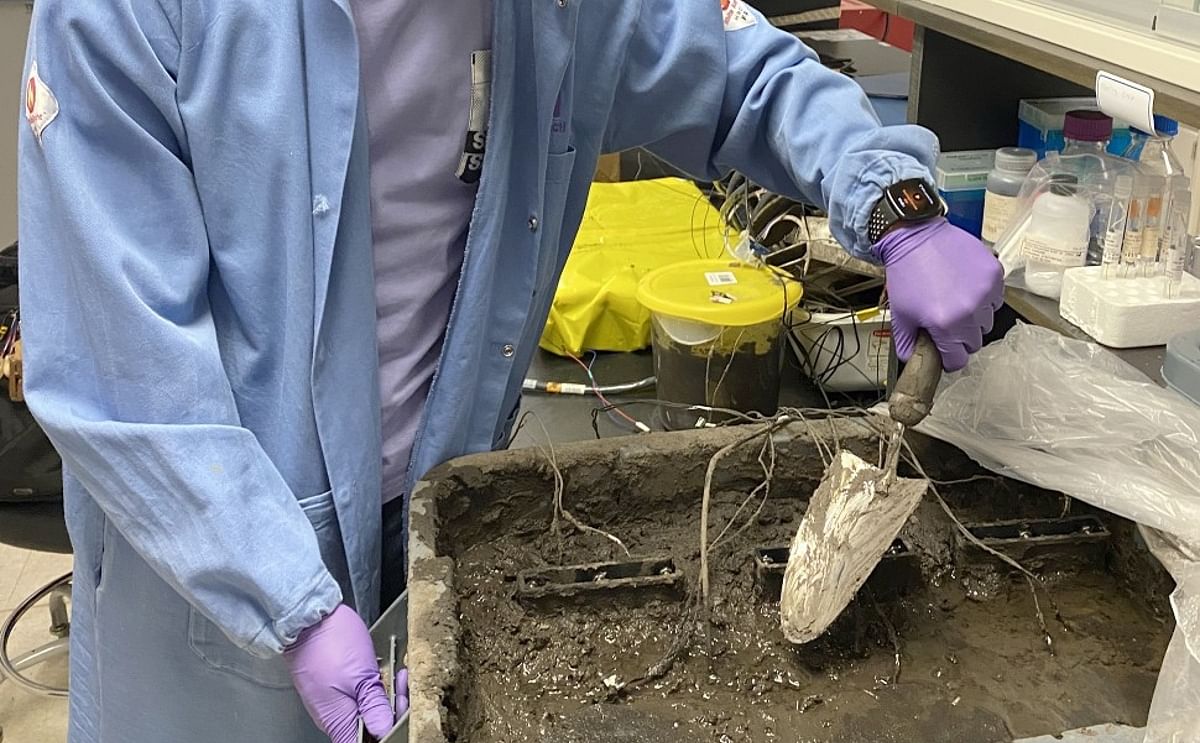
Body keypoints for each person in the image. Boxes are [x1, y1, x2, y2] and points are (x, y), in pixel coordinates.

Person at [16, 1, 1002, 741]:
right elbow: (121, 367)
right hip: (208, 558)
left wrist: (898, 207)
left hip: (437, 518)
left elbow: (740, 74)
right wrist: (286, 598)